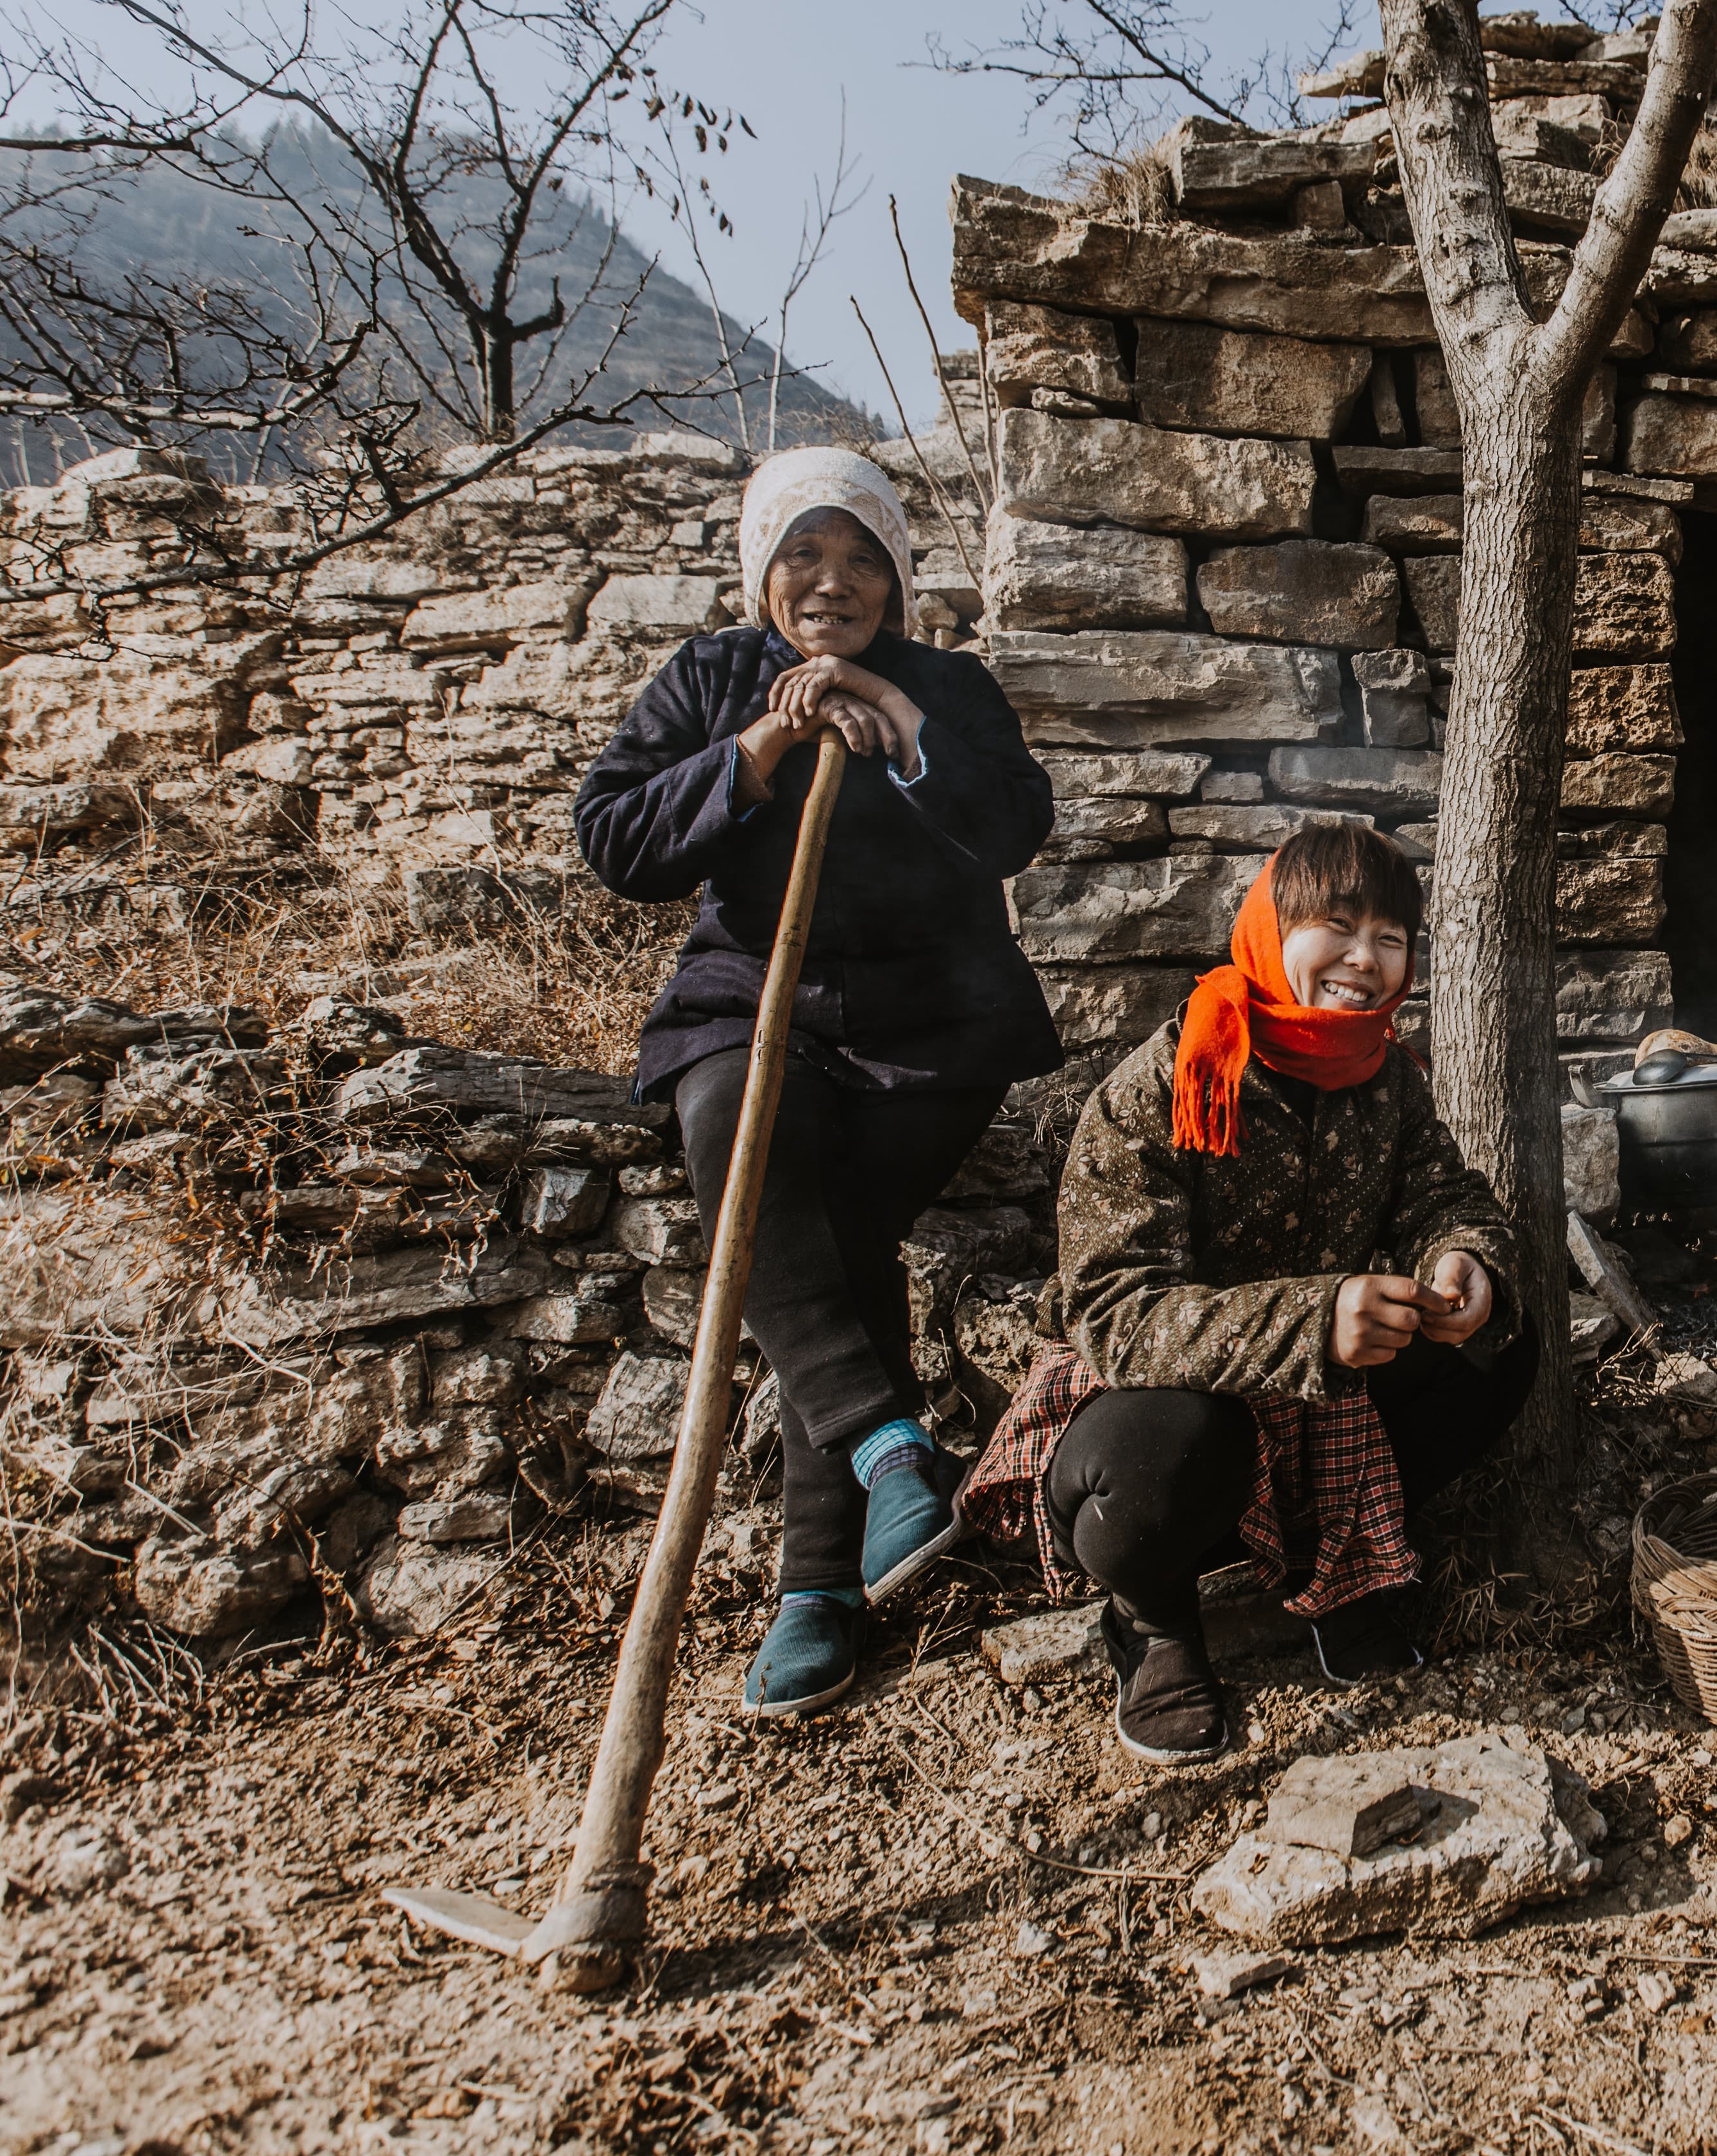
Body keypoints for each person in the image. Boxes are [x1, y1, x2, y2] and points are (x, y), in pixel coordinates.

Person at [575, 444, 1061, 1720]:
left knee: (832, 1243)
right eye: (804, 553)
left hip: (936, 1019)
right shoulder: (713, 677)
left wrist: (902, 731)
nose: (833, 580)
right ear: (762, 571)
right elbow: (616, 839)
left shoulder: (947, 684)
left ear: (898, 578)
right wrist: (760, 746)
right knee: (739, 1129)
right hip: (754, 1002)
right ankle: (884, 1475)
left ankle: (818, 1592)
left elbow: (1014, 825)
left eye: (862, 557)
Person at [959, 820, 1528, 1765]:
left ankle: (1324, 1564)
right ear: (1270, 927)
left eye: (1391, 938)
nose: (1365, 959)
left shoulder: (1386, 1078)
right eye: (1337, 926)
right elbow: (1112, 1309)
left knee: (1500, 1348)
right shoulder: (1168, 1081)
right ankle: (1154, 1621)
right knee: (1177, 1447)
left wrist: (1463, 1260)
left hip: (1312, 1398)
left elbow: (1446, 1196)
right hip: (1152, 1406)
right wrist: (1317, 1318)